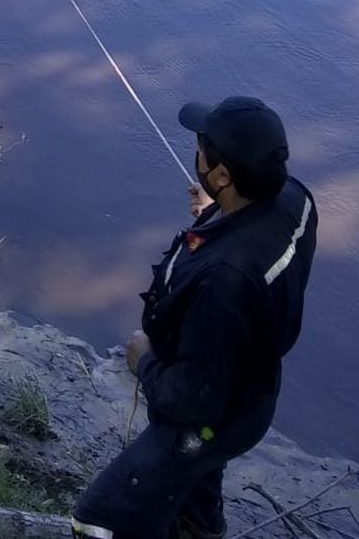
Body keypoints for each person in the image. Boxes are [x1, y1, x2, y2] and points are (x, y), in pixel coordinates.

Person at [72, 97, 317, 539]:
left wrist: (144, 362)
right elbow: (261, 239)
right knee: (195, 488)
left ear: (223, 175)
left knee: (97, 521)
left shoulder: (224, 280)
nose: (197, 156)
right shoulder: (297, 201)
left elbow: (192, 400)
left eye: (202, 152)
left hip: (208, 420)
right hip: (253, 394)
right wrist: (218, 211)